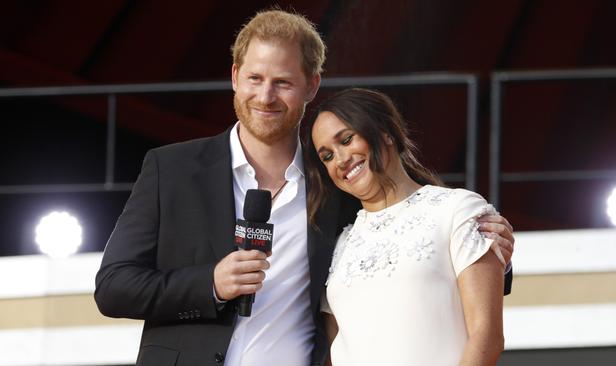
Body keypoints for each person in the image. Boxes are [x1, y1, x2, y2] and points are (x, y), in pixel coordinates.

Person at [94, 9, 515, 366]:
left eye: (283, 82)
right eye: (255, 78)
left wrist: (488, 252)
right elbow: (114, 288)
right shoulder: (172, 168)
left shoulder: (336, 183)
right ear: (236, 76)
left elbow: (403, 237)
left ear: (312, 85)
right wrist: (210, 284)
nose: (265, 95)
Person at [306, 88, 506, 366]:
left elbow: (487, 336)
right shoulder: (339, 245)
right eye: (327, 156)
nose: (340, 159)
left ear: (385, 131)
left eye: (347, 139)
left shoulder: (457, 209)